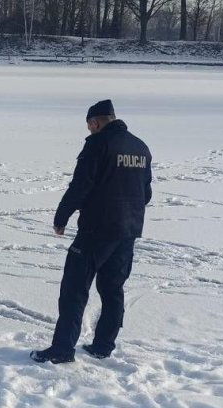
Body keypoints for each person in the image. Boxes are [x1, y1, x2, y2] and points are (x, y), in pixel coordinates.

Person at [31, 99, 152, 364]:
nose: (89, 131)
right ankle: (103, 346)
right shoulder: (140, 147)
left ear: (95, 122)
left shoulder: (98, 144)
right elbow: (146, 193)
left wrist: (62, 216)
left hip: (97, 230)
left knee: (74, 289)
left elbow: (81, 185)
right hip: (128, 231)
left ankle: (62, 350)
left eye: (89, 126)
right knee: (112, 289)